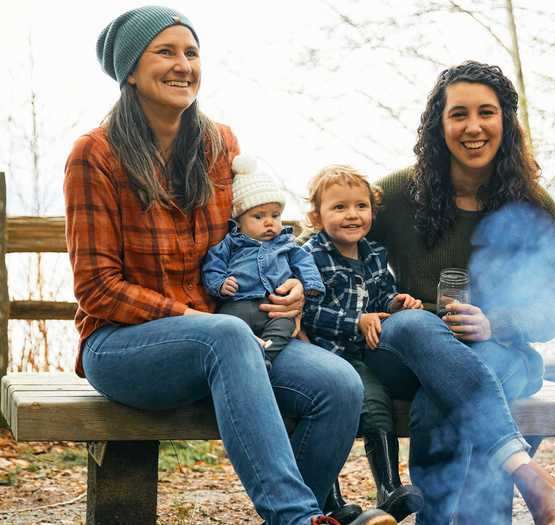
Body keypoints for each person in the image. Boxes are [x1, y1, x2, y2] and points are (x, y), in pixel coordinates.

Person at [63, 6, 396, 525]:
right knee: (225, 335)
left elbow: (247, 246)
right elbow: (97, 289)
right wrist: (195, 320)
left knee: (339, 384)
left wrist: (290, 291)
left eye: (191, 53)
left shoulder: (221, 145)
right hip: (124, 345)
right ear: (130, 69)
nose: (183, 65)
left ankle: (298, 514)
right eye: (165, 52)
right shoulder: (96, 154)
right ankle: (297, 517)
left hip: (234, 334)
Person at [365, 61, 555, 525]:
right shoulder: (396, 194)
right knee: (413, 323)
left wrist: (495, 322)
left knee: (438, 403)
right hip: (407, 357)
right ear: (438, 125)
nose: (474, 127)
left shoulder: (533, 206)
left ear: (506, 121)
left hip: (498, 355)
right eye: (458, 114)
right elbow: (323, 243)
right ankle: (529, 477)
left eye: (487, 112)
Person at [301, 166, 424, 523]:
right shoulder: (310, 255)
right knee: (336, 415)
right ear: (316, 215)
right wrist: (357, 322)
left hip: (360, 356)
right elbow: (307, 311)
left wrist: (396, 303)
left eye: (361, 206)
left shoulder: (373, 254)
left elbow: (382, 295)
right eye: (339, 207)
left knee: (375, 405)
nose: (352, 215)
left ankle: (389, 487)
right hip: (323, 356)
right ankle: (331, 498)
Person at [201, 155, 325, 370]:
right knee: (229, 327)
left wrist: (311, 285)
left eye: (275, 215)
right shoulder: (231, 243)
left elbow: (304, 261)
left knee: (285, 327)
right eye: (258, 217)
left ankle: (265, 357)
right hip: (237, 304)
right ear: (239, 221)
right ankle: (241, 355)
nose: (269, 222)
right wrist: (220, 284)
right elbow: (213, 265)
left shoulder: (285, 243)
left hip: (274, 306)